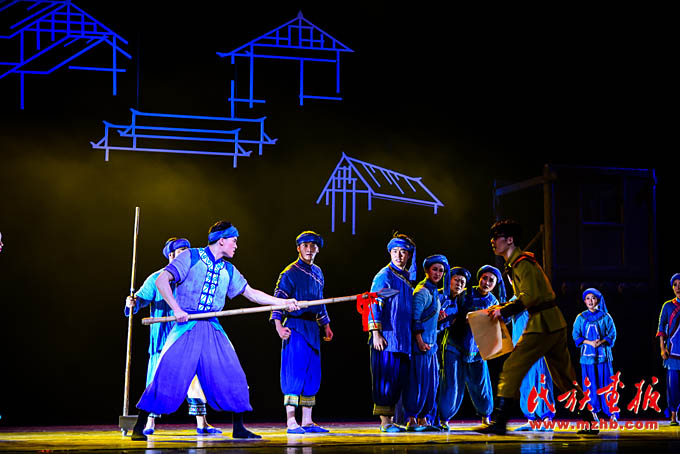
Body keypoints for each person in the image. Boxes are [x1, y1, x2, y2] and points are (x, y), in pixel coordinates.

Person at [130, 221, 300, 441]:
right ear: (222, 240)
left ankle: (239, 427)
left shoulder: (228, 269)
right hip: (186, 327)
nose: (236, 246)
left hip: (211, 327)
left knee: (233, 372)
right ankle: (140, 425)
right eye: (234, 241)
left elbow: (251, 293)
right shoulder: (190, 257)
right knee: (166, 373)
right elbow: (162, 281)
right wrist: (177, 309)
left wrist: (283, 303)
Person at [478, 219, 597, 435]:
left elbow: (530, 296)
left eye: (497, 237)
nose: (493, 241)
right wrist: (503, 307)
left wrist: (504, 311)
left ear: (510, 240)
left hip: (542, 324)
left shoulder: (522, 263)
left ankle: (500, 421)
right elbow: (527, 295)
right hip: (553, 323)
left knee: (512, 367)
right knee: (564, 378)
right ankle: (590, 419)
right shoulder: (517, 264)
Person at [126, 237, 222, 435]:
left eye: (188, 250)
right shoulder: (156, 278)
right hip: (163, 342)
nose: (187, 254)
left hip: (188, 339)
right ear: (171, 255)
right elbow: (140, 301)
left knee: (195, 380)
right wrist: (132, 302)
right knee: (156, 382)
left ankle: (202, 423)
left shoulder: (192, 278)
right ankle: (149, 423)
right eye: (181, 251)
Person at [270, 231, 333, 434]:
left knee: (311, 373)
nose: (309, 249)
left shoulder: (318, 273)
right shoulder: (290, 272)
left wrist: (326, 325)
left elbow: (320, 302)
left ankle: (307, 421)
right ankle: (291, 420)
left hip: (312, 328)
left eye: (313, 246)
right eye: (305, 245)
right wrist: (278, 326)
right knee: (294, 371)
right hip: (295, 326)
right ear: (298, 248)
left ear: (317, 249)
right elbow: (278, 299)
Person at [438, 265, 505, 427]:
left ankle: (485, 417)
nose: (486, 282)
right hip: (455, 344)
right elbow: (450, 309)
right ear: (479, 278)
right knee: (452, 384)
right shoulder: (465, 293)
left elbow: (498, 325)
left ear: (495, 284)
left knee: (480, 384)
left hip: (477, 348)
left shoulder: (493, 302)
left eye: (491, 280)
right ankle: (444, 419)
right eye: (484, 278)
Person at [367, 232, 416, 432]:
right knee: (385, 379)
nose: (398, 255)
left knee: (398, 379)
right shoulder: (385, 276)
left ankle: (392, 420)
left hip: (402, 339)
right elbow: (373, 302)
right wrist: (376, 333)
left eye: (402, 252)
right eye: (394, 251)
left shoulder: (406, 279)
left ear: (409, 255)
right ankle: (385, 422)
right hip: (386, 338)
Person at [404, 254, 450, 431]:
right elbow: (414, 319)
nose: (438, 273)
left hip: (431, 346)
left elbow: (427, 318)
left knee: (431, 385)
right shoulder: (422, 291)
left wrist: (438, 317)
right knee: (418, 383)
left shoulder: (433, 292)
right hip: (421, 346)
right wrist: (420, 341)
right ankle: (412, 419)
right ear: (427, 270)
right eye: (434, 269)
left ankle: (423, 418)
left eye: (441, 270)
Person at [573, 288, 618, 420]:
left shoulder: (605, 317)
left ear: (598, 300)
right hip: (587, 358)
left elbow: (612, 333)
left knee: (607, 384)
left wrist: (601, 341)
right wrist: (589, 342)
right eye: (588, 298)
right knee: (590, 385)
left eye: (593, 298)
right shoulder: (581, 318)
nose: (590, 301)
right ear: (584, 301)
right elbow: (576, 335)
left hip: (603, 356)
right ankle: (593, 413)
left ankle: (611, 412)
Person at [511, 307, 556, 431]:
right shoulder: (514, 301)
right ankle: (531, 420)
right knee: (525, 384)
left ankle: (547, 420)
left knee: (541, 381)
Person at [435, 266, 470, 430]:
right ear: (448, 280)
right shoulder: (438, 296)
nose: (459, 284)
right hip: (432, 344)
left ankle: (444, 418)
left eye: (463, 282)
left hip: (454, 346)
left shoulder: (462, 301)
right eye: (457, 280)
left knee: (454, 382)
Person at [657, 273, 680, 426]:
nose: (678, 287)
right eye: (675, 284)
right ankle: (673, 415)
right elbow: (661, 328)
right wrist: (662, 348)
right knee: (673, 385)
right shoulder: (668, 306)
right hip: (673, 352)